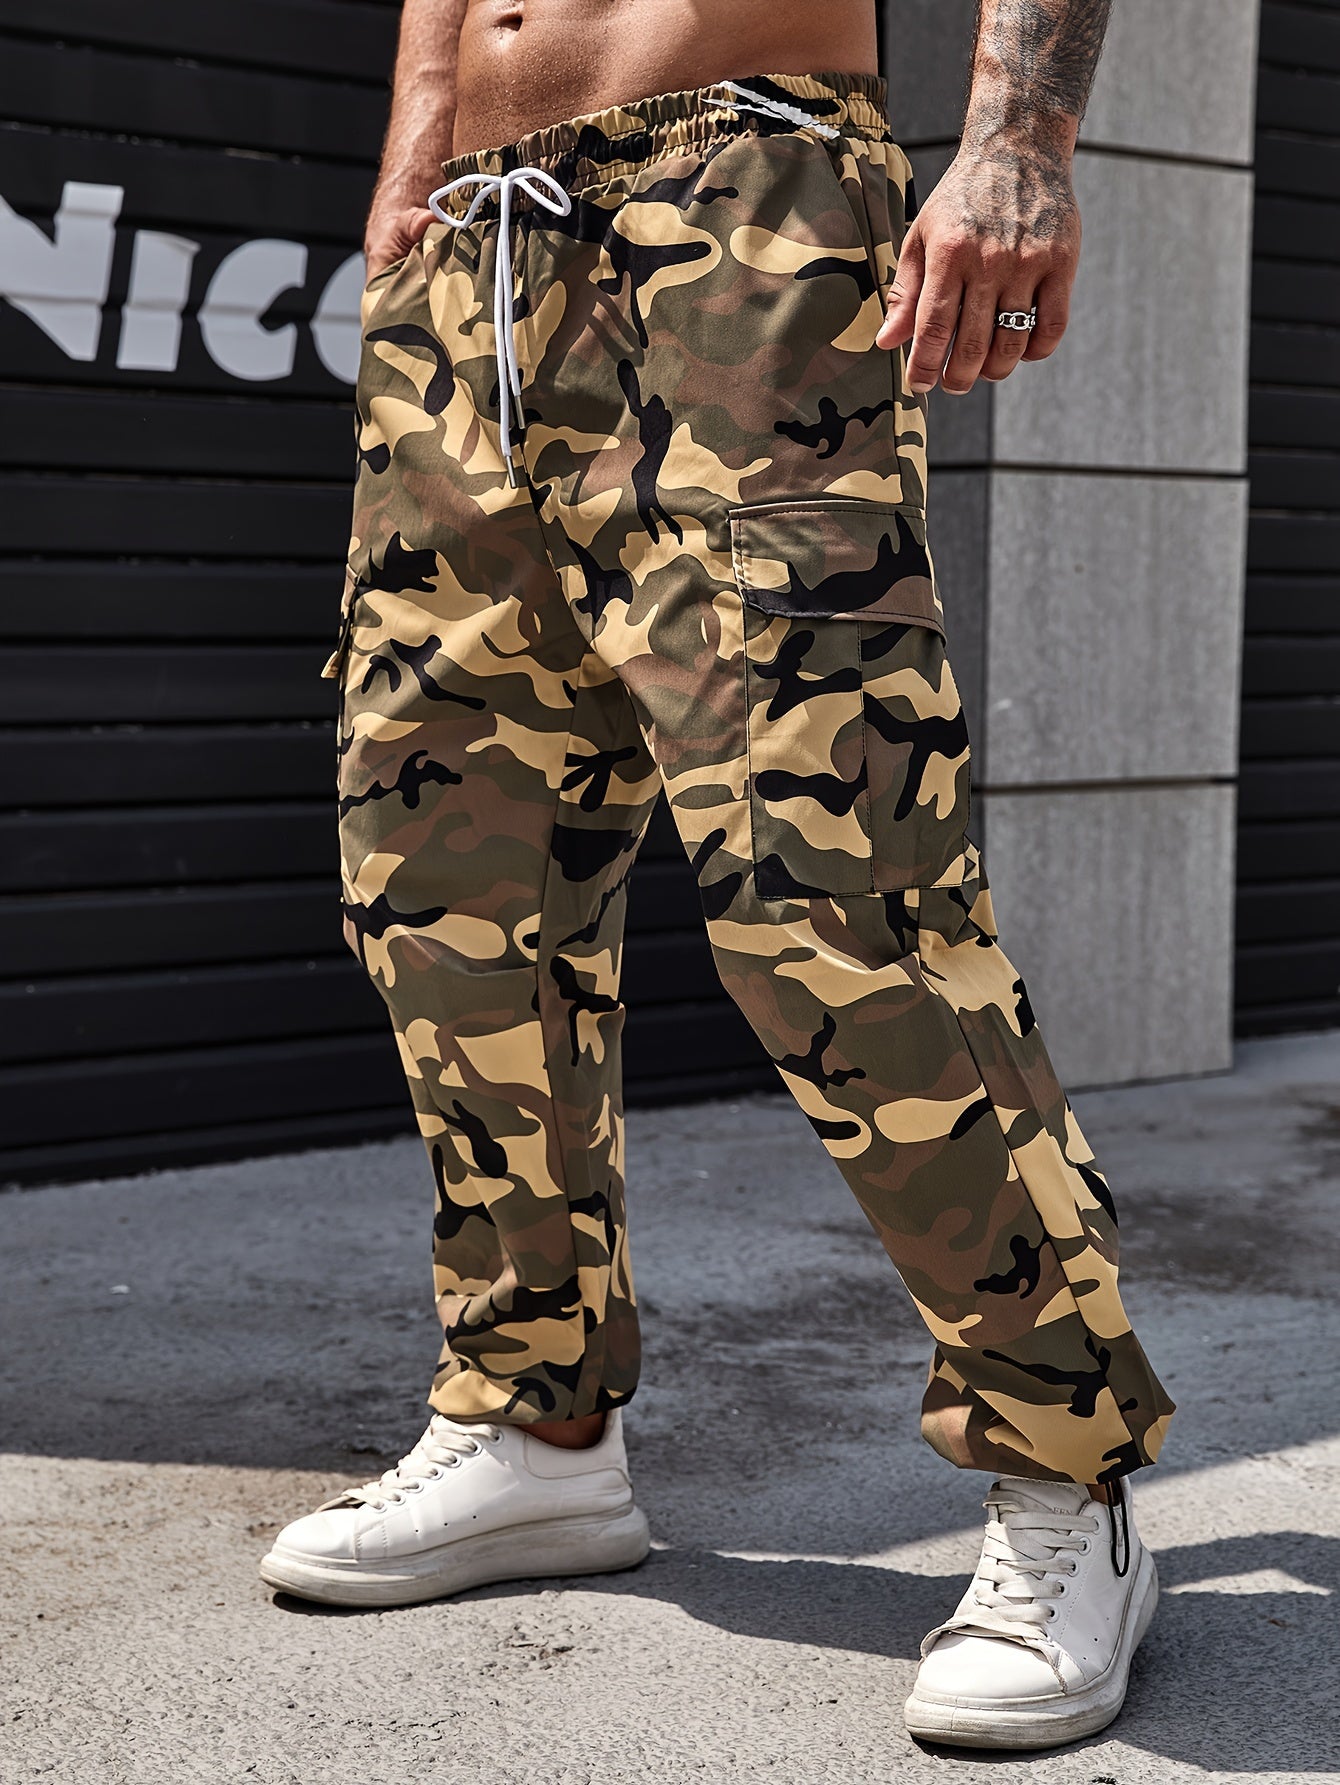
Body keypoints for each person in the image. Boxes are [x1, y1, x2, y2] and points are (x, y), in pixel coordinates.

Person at [259, 0, 1176, 1750]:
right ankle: (537, 1424)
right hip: (476, 250)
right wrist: (417, 151)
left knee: (831, 890)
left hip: (740, 196)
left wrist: (1021, 136)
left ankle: (1070, 1464)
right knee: (442, 883)